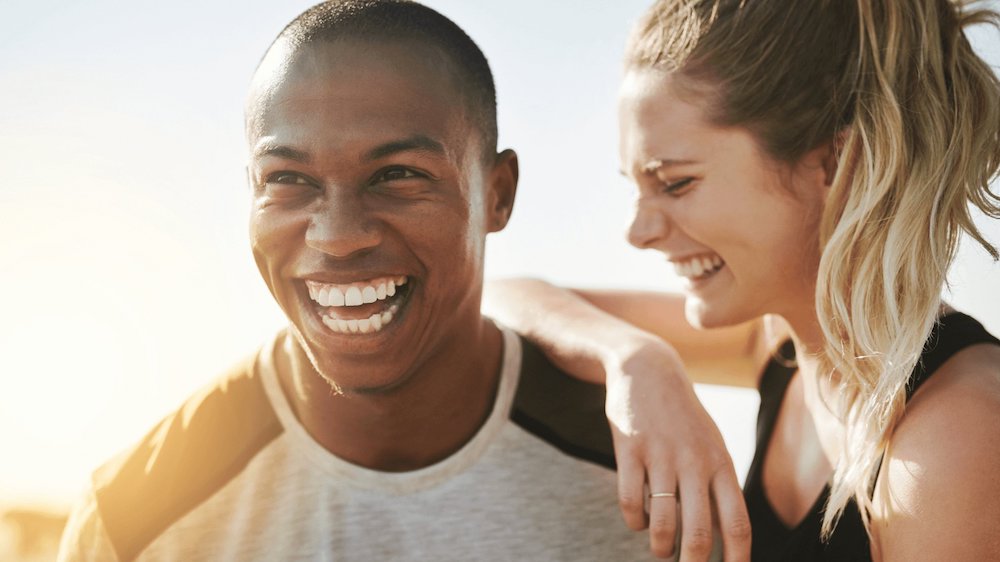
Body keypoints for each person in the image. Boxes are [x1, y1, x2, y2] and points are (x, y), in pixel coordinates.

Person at [55, 1, 658, 560]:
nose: (337, 236)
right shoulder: (131, 517)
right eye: (288, 180)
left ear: (497, 194)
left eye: (396, 174)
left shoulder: (651, 490)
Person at [486, 0, 1000, 560]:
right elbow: (502, 297)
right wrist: (636, 361)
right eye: (635, 187)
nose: (638, 231)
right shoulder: (784, 349)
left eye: (675, 184)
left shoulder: (957, 436)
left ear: (837, 162)